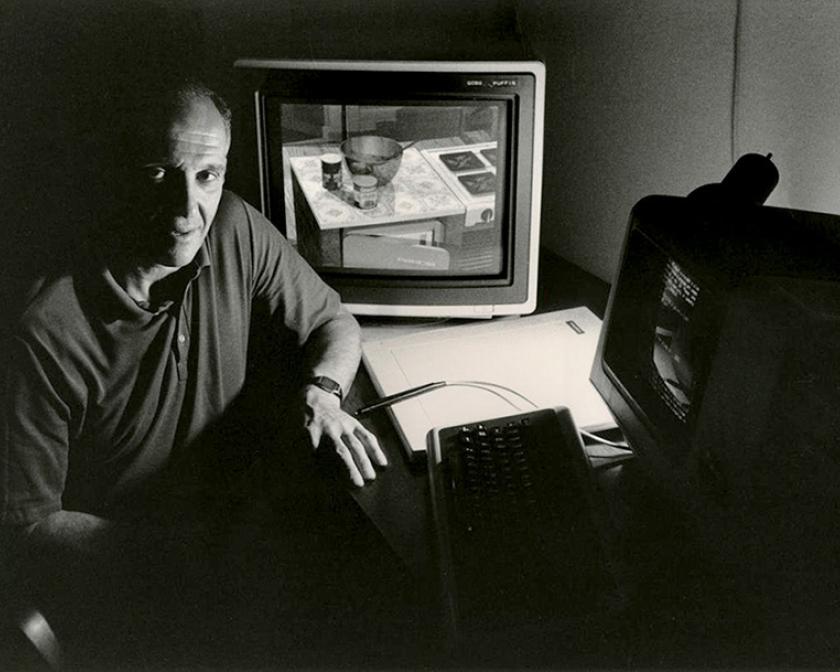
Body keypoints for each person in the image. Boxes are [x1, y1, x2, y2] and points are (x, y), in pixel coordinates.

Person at [0, 79, 403, 666]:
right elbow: (27, 526)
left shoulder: (233, 227)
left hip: (231, 535)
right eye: (159, 173)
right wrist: (171, 556)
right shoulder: (44, 329)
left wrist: (324, 393)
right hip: (128, 582)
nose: (186, 208)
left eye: (207, 175)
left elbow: (333, 321)